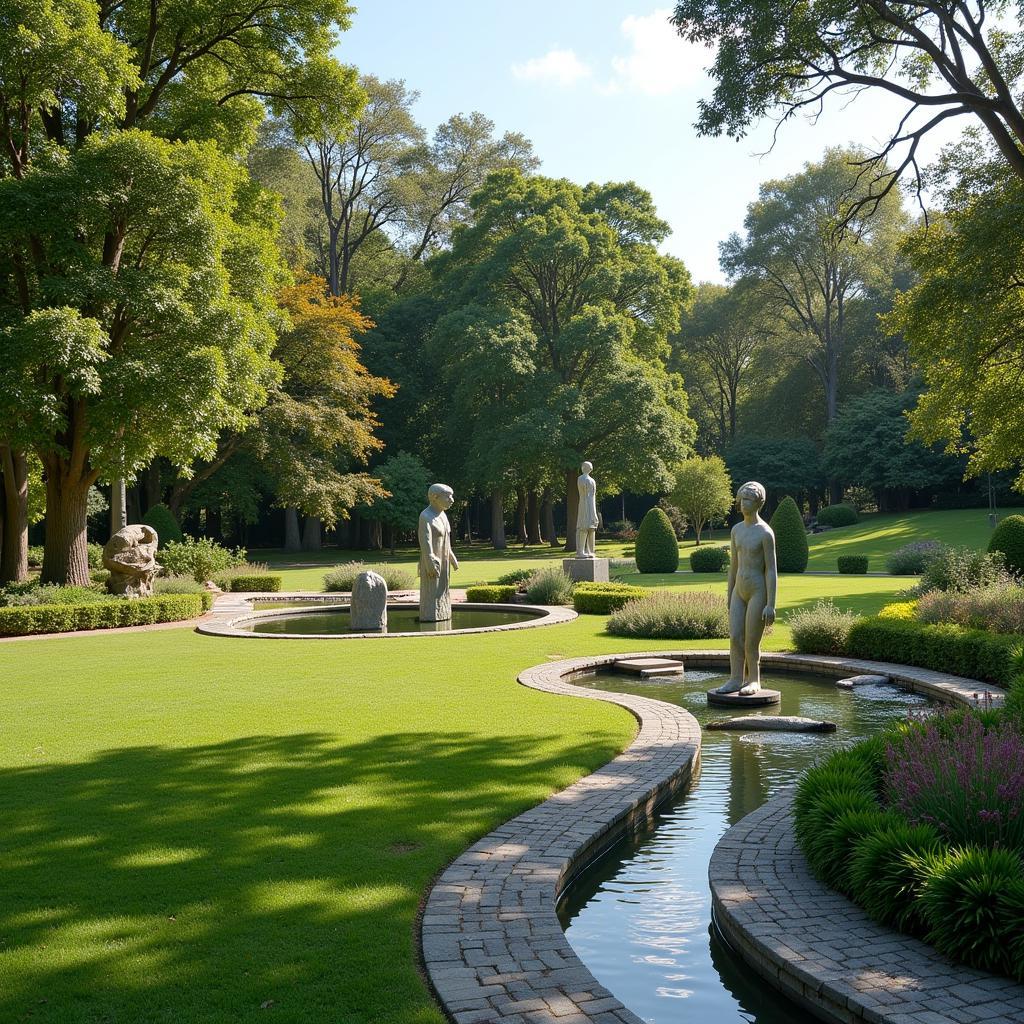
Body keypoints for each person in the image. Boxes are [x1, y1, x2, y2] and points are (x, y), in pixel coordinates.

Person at [713, 481, 777, 696]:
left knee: (751, 641)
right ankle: (735, 679)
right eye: (741, 499)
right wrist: (729, 594)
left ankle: (754, 680)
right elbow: (733, 567)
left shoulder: (765, 533)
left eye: (748, 499)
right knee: (735, 637)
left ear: (758, 502)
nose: (742, 504)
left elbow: (771, 570)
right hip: (739, 591)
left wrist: (771, 604)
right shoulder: (736, 530)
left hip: (758, 591)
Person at [418, 483, 459, 622]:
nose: (451, 500)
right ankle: (430, 616)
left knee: (443, 590)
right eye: (448, 496)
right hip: (432, 564)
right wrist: (429, 561)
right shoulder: (426, 516)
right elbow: (425, 541)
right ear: (435, 497)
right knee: (432, 593)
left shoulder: (443, 516)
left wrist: (452, 557)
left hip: (444, 562)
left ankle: (443, 614)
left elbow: (446, 540)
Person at [576, 461, 599, 558]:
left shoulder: (592, 480)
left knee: (591, 528)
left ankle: (591, 551)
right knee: (584, 527)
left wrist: (594, 513)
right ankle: (581, 551)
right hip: (585, 504)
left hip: (590, 504)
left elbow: (593, 496)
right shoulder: (581, 478)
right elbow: (584, 493)